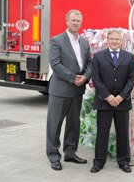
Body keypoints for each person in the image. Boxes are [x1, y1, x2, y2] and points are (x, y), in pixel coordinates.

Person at [46, 9, 92, 171]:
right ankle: (53, 156)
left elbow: (89, 64)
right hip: (61, 89)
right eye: (73, 20)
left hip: (77, 90)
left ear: (81, 23)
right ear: (67, 21)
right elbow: (55, 64)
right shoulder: (56, 40)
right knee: (55, 124)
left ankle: (70, 152)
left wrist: (85, 77)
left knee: (74, 124)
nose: (75, 23)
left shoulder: (84, 42)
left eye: (78, 21)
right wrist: (73, 78)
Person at [90, 29, 134, 173]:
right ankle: (99, 162)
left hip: (122, 102)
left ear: (121, 40)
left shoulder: (129, 57)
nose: (115, 41)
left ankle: (123, 161)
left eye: (117, 39)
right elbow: (96, 78)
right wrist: (108, 96)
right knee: (102, 133)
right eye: (112, 39)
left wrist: (121, 96)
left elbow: (131, 79)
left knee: (122, 132)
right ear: (107, 40)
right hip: (104, 101)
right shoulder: (98, 57)